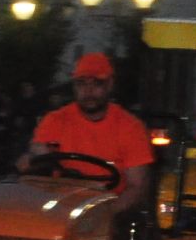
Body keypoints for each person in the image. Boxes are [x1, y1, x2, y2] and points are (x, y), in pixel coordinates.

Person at [21, 52, 155, 215]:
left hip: (110, 208)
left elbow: (137, 185)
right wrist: (32, 160)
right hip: (62, 207)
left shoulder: (131, 128)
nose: (89, 91)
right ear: (74, 87)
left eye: (97, 83)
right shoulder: (55, 121)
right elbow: (36, 158)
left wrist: (105, 215)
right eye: (82, 84)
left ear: (109, 85)